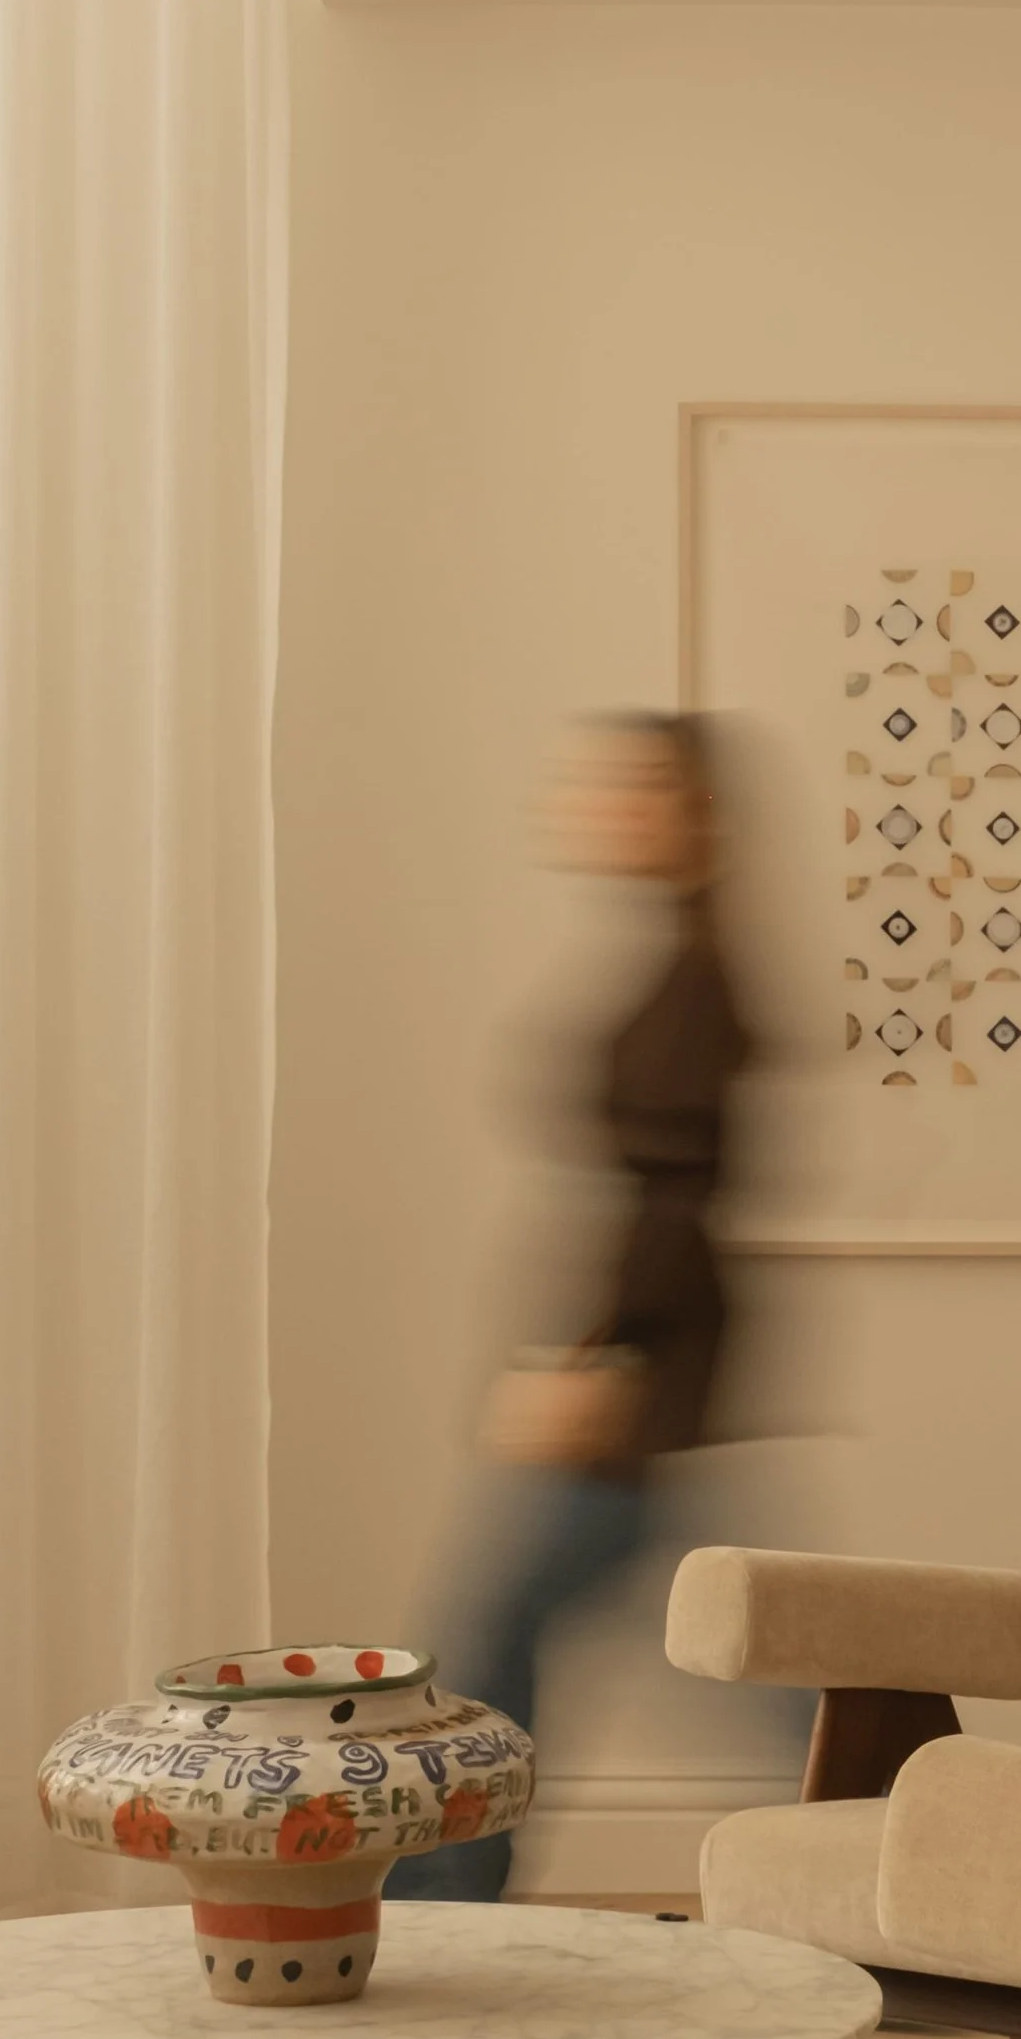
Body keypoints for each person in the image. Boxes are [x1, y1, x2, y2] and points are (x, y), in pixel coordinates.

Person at [388, 712, 751, 1901]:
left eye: (634, 784)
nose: (598, 802)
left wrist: (587, 1361)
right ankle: (920, 1854)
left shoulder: (701, 972)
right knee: (747, 1660)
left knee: (490, 1636)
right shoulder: (681, 954)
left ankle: (444, 1913)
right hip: (652, 1377)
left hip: (638, 1382)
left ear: (695, 809)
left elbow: (672, 1198)